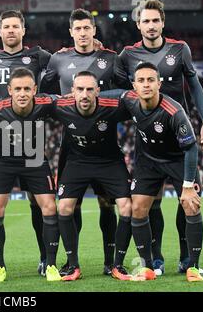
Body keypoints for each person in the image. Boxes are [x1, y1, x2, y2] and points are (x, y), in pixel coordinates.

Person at [116, 0, 203, 275]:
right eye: (145, 21)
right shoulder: (127, 55)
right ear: (138, 25)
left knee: (188, 202)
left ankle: (188, 260)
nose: (150, 25)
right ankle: (154, 259)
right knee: (149, 202)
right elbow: (120, 90)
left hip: (179, 136)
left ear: (162, 22)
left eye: (155, 20)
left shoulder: (179, 49)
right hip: (147, 142)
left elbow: (194, 85)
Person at [40, 8, 120, 276]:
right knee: (68, 203)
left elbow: (125, 93)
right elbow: (46, 96)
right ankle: (71, 260)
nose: (83, 33)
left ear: (94, 31)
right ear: (71, 31)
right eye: (78, 29)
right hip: (71, 143)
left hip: (106, 141)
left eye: (88, 28)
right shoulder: (58, 60)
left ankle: (110, 261)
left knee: (106, 203)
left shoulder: (110, 58)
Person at [121, 62, 203, 282]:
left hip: (178, 160)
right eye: (141, 80)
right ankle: (148, 266)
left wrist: (187, 187)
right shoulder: (128, 99)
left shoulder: (174, 111)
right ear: (134, 86)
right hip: (148, 161)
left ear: (159, 83)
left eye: (150, 80)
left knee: (191, 204)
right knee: (137, 207)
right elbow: (103, 96)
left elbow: (191, 147)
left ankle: (193, 266)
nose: (146, 85)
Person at [0, 10, 52, 277]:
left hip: (32, 142)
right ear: (0, 31)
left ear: (23, 30)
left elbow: (65, 63)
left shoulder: (39, 56)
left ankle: (46, 259)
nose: (11, 30)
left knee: (39, 203)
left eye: (16, 26)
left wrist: (94, 46)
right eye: (6, 27)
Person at [0, 67, 61, 283]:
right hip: (2, 160)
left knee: (50, 206)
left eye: (27, 88)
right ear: (9, 90)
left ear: (35, 89)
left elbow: (70, 102)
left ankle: (51, 264)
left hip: (34, 159)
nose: (23, 93)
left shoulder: (46, 104)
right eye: (18, 89)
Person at [52, 71, 133, 281]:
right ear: (72, 92)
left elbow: (135, 99)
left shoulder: (112, 106)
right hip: (78, 162)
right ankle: (73, 265)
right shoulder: (61, 107)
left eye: (90, 89)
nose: (85, 94)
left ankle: (117, 265)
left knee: (126, 207)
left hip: (110, 162)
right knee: (64, 207)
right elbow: (36, 103)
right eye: (80, 89)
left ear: (98, 91)